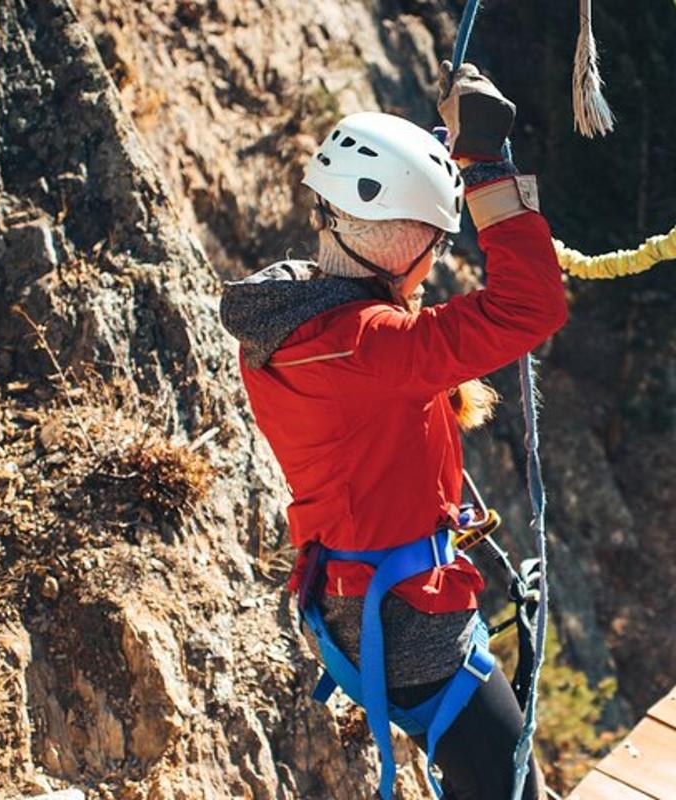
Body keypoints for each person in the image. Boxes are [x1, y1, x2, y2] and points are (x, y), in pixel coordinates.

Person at [220, 64, 565, 799]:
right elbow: (529, 307)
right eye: (433, 241)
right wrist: (486, 166)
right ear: (403, 239)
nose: (437, 260)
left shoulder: (293, 318)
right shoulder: (370, 346)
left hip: (364, 599)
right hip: (415, 627)